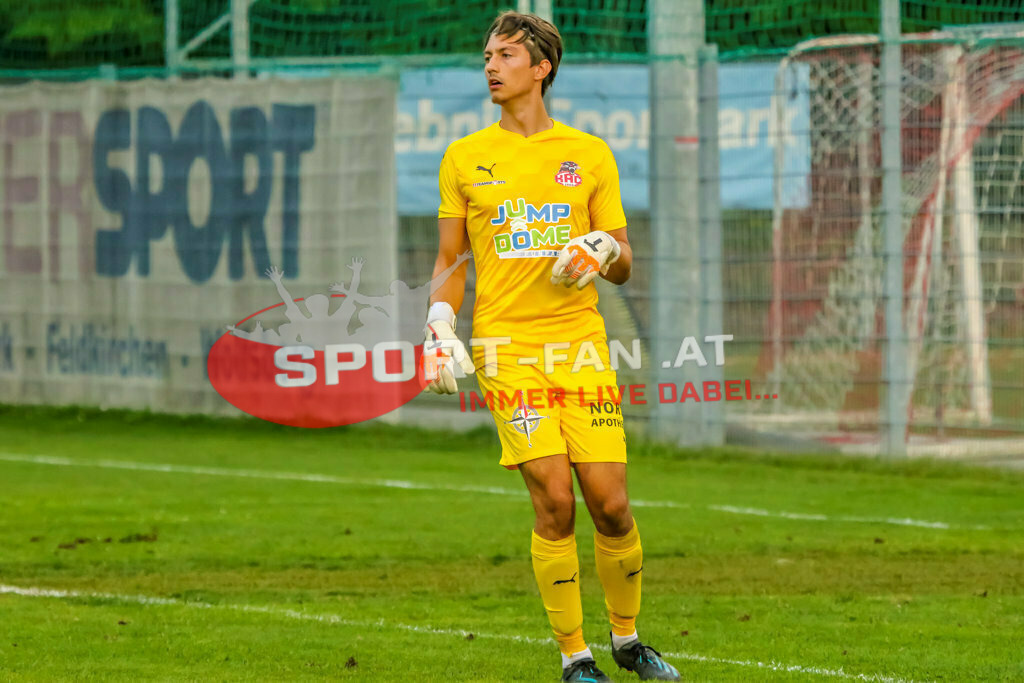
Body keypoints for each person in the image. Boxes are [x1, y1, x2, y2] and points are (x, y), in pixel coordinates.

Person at [422, 10, 681, 683]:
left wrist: (602, 249)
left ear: (542, 68)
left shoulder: (589, 154)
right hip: (509, 350)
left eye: (506, 54)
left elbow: (625, 259)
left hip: (582, 347)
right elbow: (452, 259)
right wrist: (438, 325)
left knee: (611, 502)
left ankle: (627, 641)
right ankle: (576, 656)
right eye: (487, 55)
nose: (491, 65)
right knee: (555, 501)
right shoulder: (464, 157)